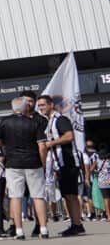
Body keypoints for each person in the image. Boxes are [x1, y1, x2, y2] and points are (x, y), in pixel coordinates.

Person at [0, 96, 48, 240]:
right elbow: (42, 146)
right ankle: (43, 228)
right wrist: (43, 163)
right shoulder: (34, 123)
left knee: (15, 196)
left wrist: (7, 146)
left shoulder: (5, 123)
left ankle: (19, 230)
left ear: (13, 108)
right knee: (38, 195)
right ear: (26, 108)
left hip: (13, 163)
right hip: (33, 162)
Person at [37, 93, 88, 237]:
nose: (41, 108)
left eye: (43, 105)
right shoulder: (48, 122)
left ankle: (77, 224)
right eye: (39, 105)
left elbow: (69, 136)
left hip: (69, 162)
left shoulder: (60, 119)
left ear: (51, 105)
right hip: (60, 164)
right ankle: (75, 224)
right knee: (67, 195)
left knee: (71, 195)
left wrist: (50, 143)